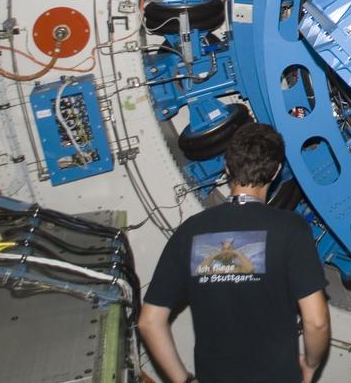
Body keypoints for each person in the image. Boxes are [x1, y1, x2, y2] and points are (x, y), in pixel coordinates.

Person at [138, 122, 330, 383]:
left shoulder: (190, 232)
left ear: (227, 168)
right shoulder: (291, 230)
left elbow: (149, 322)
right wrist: (310, 364)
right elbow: (316, 321)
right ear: (275, 171)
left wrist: (183, 380)